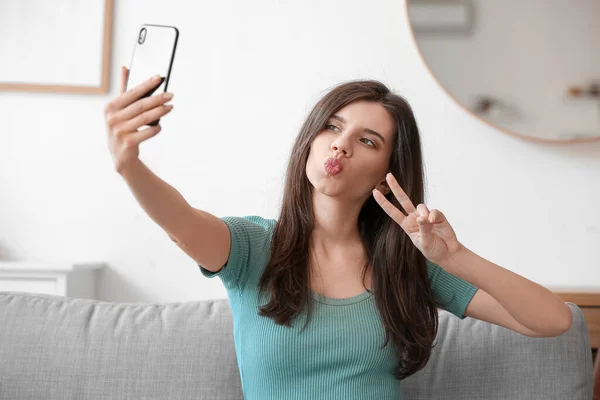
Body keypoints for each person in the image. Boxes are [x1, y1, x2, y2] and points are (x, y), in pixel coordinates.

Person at [104, 66, 572, 400]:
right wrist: (129, 165)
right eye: (333, 126)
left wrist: (455, 258)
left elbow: (553, 321)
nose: (341, 144)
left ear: (388, 170)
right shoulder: (251, 247)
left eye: (368, 140)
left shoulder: (408, 264)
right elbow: (182, 222)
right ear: (311, 139)